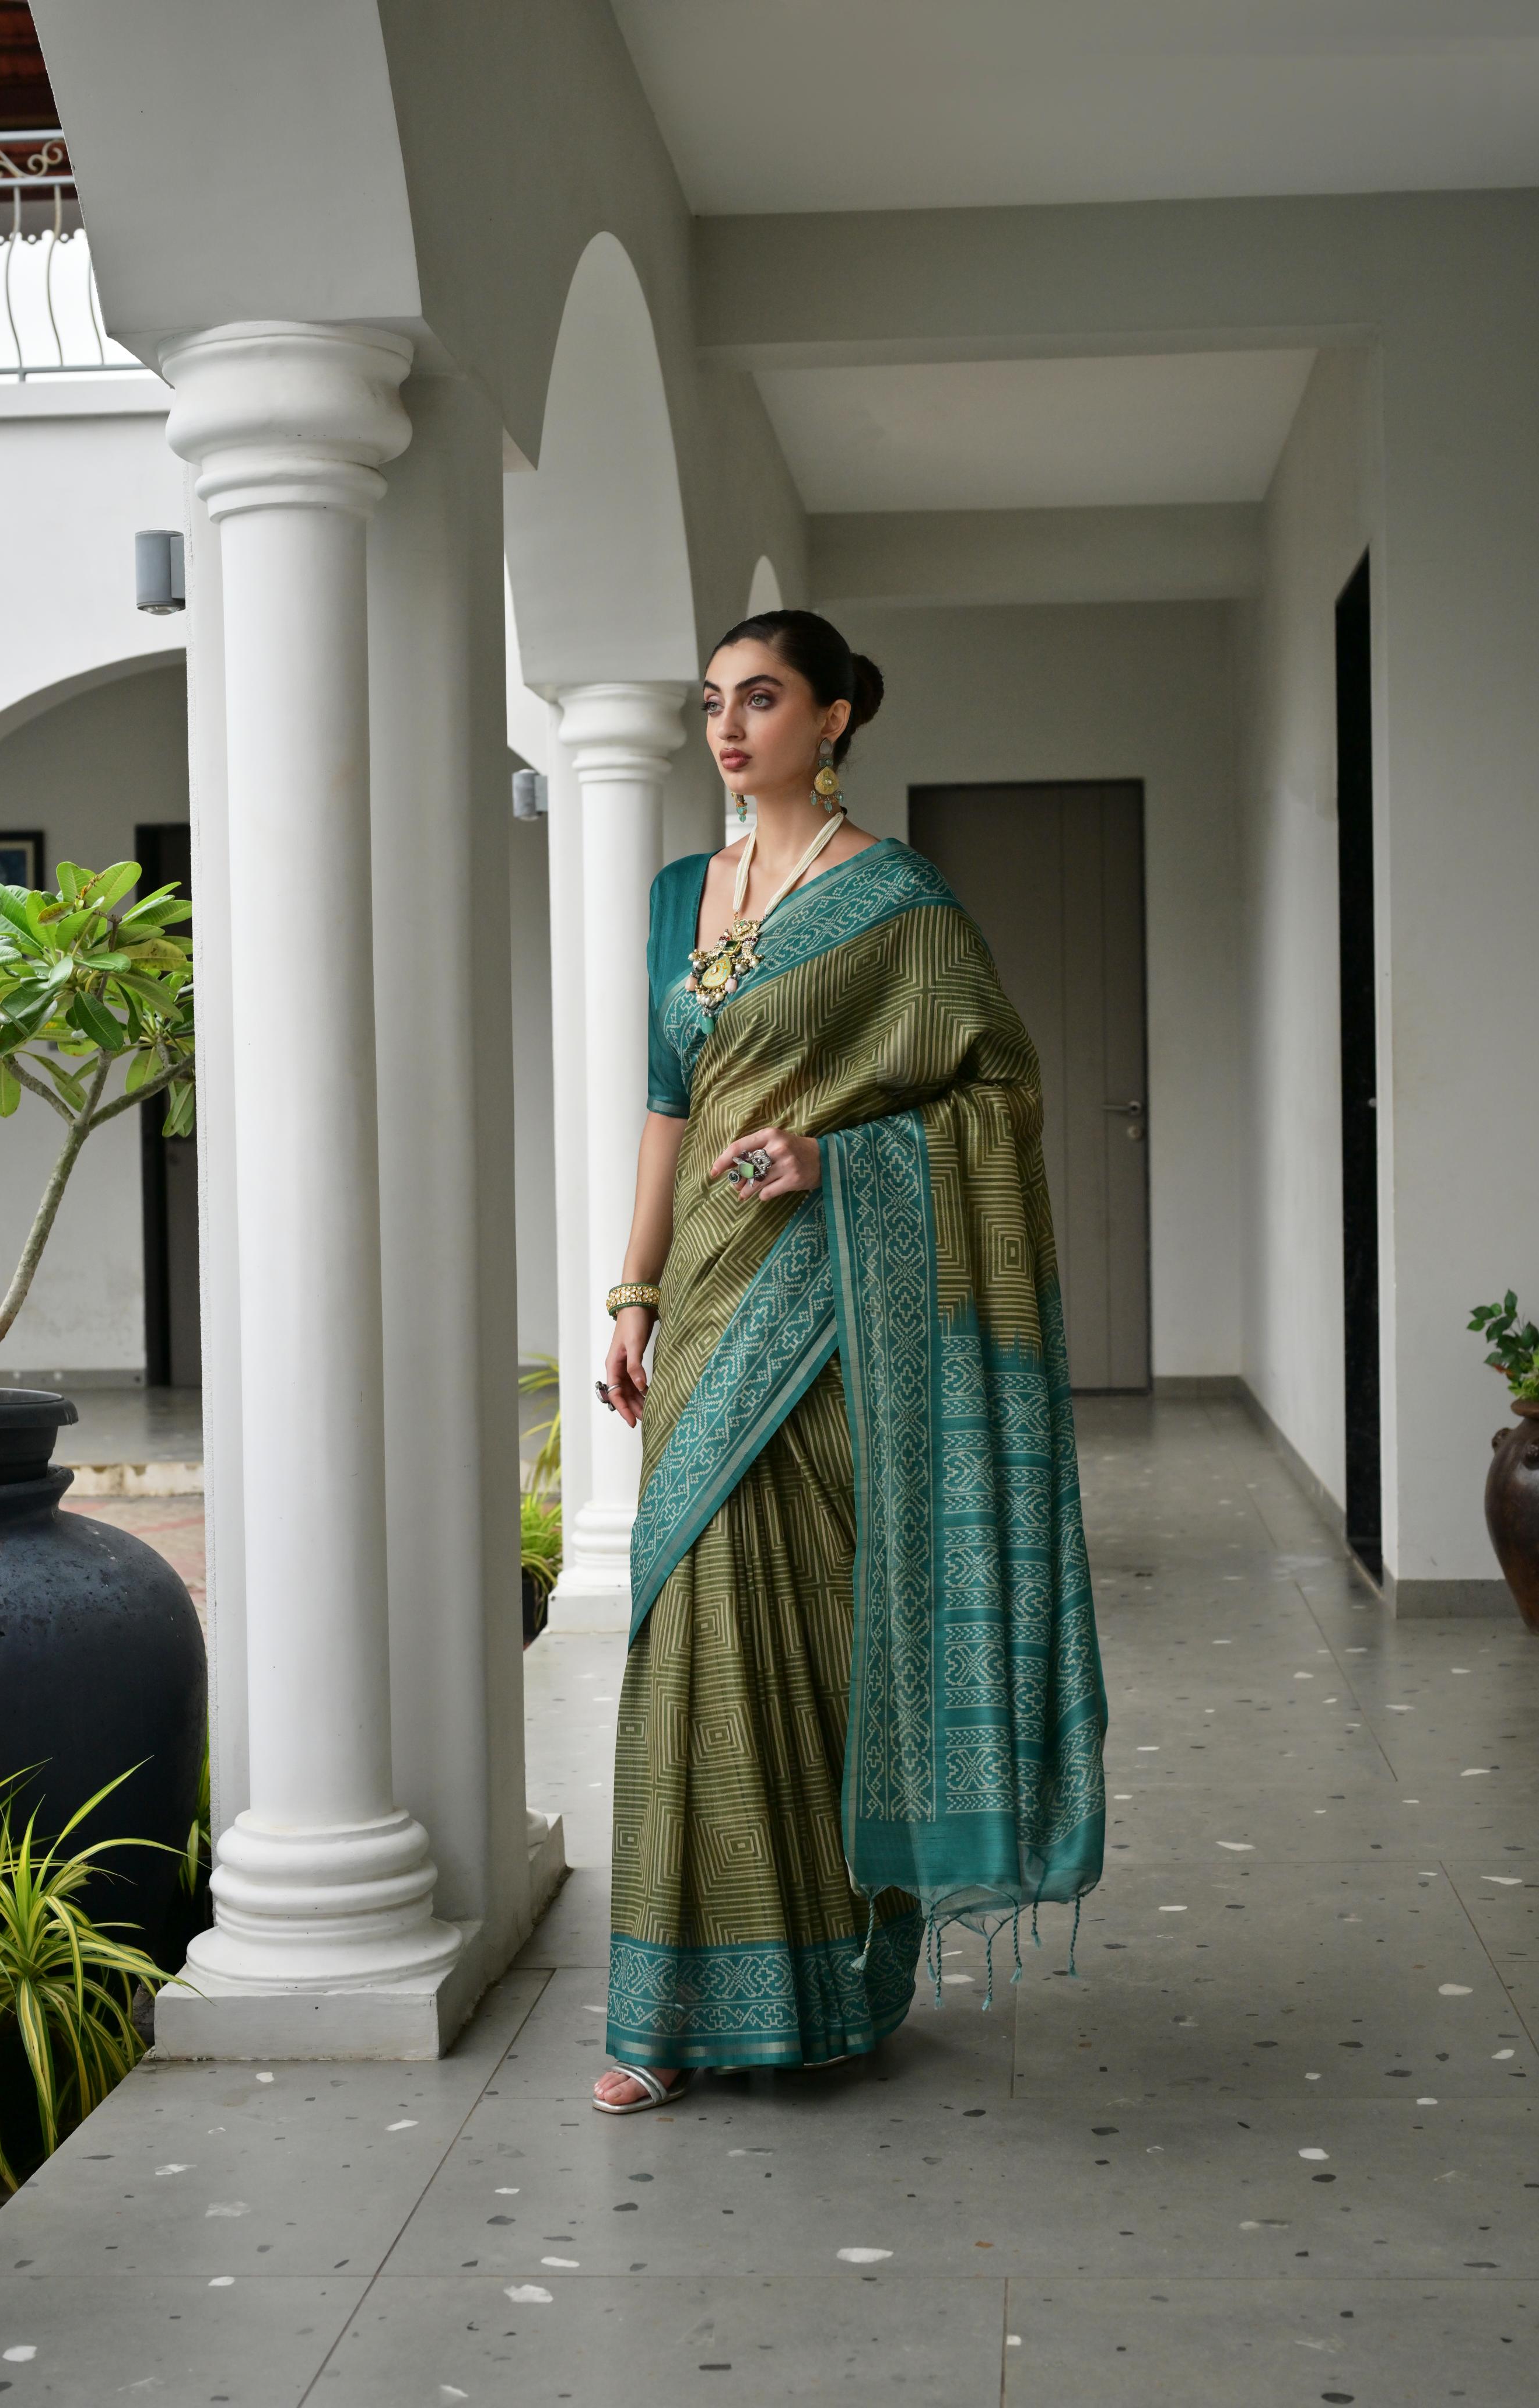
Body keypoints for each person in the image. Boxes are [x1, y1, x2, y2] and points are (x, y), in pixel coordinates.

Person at [591, 609, 1106, 2114]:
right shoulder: (681, 894)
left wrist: (838, 1159)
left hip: (836, 1311)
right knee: (685, 1621)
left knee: (809, 1626)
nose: (727, 727)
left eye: (761, 699)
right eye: (711, 702)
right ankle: (668, 2009)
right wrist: (633, 1292)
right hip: (708, 1295)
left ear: (833, 719)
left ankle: (827, 1985)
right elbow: (667, 1106)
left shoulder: (902, 904)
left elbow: (998, 1095)